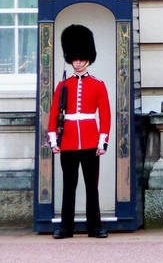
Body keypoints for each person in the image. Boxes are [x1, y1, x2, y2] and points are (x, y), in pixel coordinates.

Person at [47, 24, 111, 239]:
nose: (77, 62)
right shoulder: (63, 85)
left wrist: (103, 142)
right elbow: (54, 113)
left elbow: (106, 115)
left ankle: (95, 227)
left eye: (81, 59)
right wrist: (54, 139)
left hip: (91, 141)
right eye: (74, 59)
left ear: (88, 60)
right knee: (69, 186)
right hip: (68, 142)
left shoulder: (98, 85)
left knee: (92, 187)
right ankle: (66, 228)